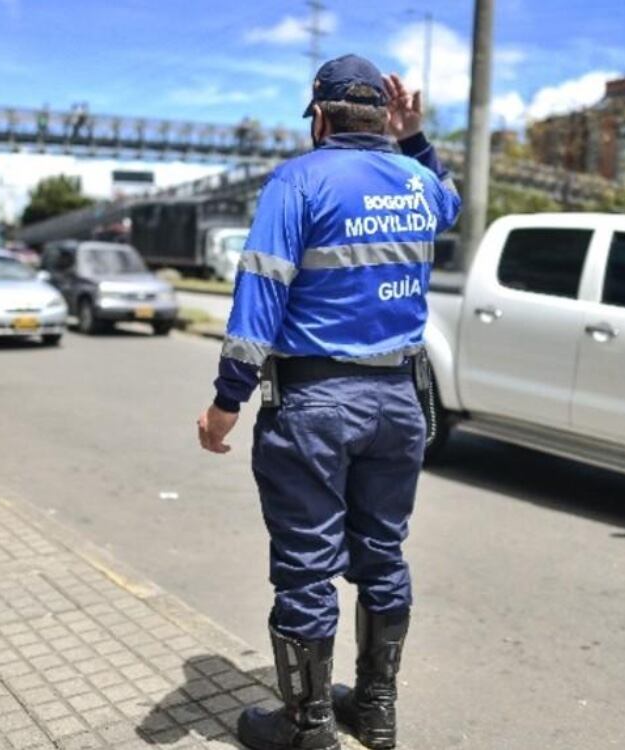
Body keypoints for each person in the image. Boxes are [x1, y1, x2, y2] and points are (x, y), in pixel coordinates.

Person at [196, 55, 460, 750]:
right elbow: (450, 201)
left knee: (307, 567)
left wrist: (227, 399)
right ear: (383, 114)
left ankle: (307, 726)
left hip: (314, 404)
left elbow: (260, 294)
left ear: (320, 116)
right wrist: (415, 139)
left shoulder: (297, 181)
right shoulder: (417, 181)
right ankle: (374, 709)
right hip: (397, 405)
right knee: (383, 555)